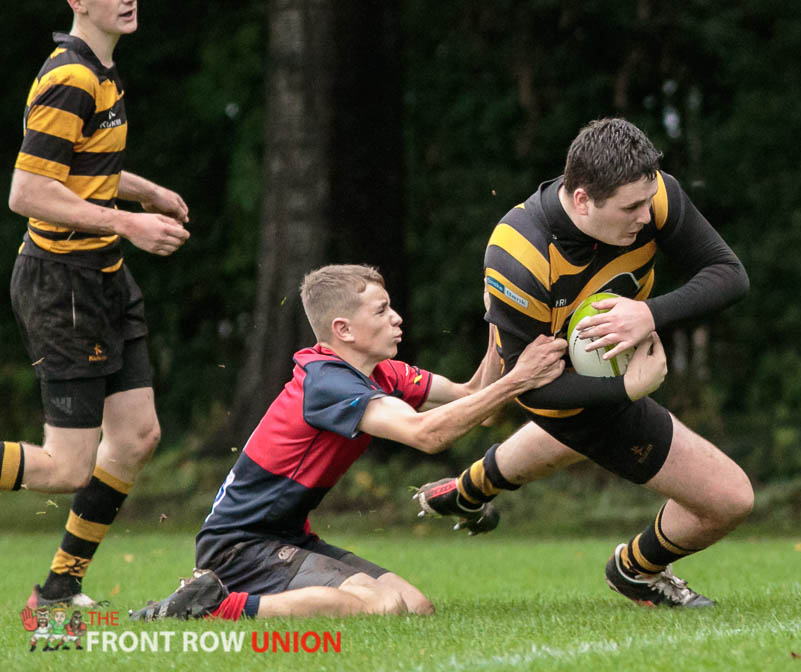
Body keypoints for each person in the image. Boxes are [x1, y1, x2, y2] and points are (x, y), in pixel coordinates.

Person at [415, 118, 752, 608]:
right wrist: (626, 391)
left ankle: (468, 490)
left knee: (574, 438)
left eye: (647, 199)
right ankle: (637, 570)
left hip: (599, 375)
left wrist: (647, 313)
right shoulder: (517, 255)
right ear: (581, 201)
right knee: (730, 499)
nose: (644, 216)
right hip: (556, 391)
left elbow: (730, 275)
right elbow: (529, 391)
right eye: (630, 208)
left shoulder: (653, 194)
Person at [132, 264, 568, 620]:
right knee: (381, 606)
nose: (396, 318)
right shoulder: (327, 383)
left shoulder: (380, 372)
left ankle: (215, 600)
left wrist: (500, 326)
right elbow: (427, 434)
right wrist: (519, 379)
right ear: (343, 329)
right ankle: (208, 606)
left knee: (416, 607)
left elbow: (477, 400)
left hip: (285, 536)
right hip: (240, 547)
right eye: (381, 311)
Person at [4, 0, 193, 610]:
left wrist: (149, 191)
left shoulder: (102, 70)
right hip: (63, 285)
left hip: (104, 277)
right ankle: (58, 592)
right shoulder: (71, 77)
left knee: (136, 435)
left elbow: (80, 170)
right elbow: (28, 192)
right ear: (78, 1)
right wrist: (129, 225)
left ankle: (59, 589)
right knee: (66, 468)